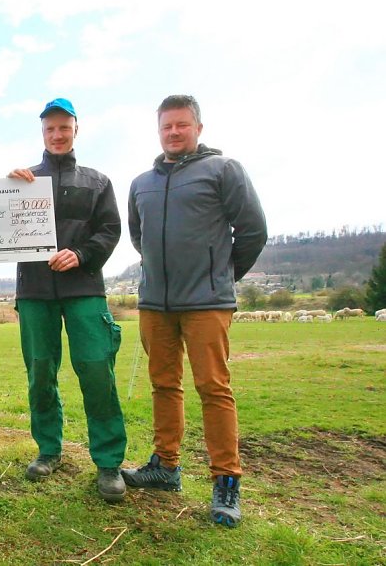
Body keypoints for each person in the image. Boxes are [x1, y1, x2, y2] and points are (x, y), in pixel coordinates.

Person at [124, 94, 267, 527]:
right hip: (156, 304)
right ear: (159, 130)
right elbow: (139, 237)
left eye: (182, 125)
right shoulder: (140, 183)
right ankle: (165, 467)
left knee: (214, 389)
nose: (173, 132)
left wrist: (218, 276)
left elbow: (254, 231)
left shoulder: (224, 170)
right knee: (164, 386)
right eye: (167, 126)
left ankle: (226, 482)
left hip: (207, 302)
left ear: (198, 128)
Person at [7, 98, 128, 502]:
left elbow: (110, 230)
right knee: (40, 371)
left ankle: (108, 462)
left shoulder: (97, 182)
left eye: (64, 127)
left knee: (96, 370)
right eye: (49, 129)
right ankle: (49, 450)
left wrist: (81, 255)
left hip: (84, 290)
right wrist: (3, 191)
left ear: (76, 129)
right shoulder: (23, 179)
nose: (57, 135)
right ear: (42, 133)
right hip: (35, 291)